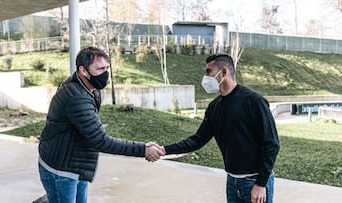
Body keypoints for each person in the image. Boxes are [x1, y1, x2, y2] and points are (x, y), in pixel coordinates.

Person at [37, 46, 163, 203]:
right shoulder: (77, 97)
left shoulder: (90, 89)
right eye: (100, 69)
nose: (106, 74)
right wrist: (143, 149)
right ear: (83, 71)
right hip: (60, 169)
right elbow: (101, 141)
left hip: (76, 164)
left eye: (107, 68)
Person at [158, 53, 280, 203]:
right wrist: (164, 150)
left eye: (209, 71)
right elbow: (197, 140)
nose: (206, 77)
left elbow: (272, 144)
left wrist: (261, 183)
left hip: (254, 182)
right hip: (232, 182)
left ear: (223, 72)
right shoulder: (214, 107)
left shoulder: (254, 101)